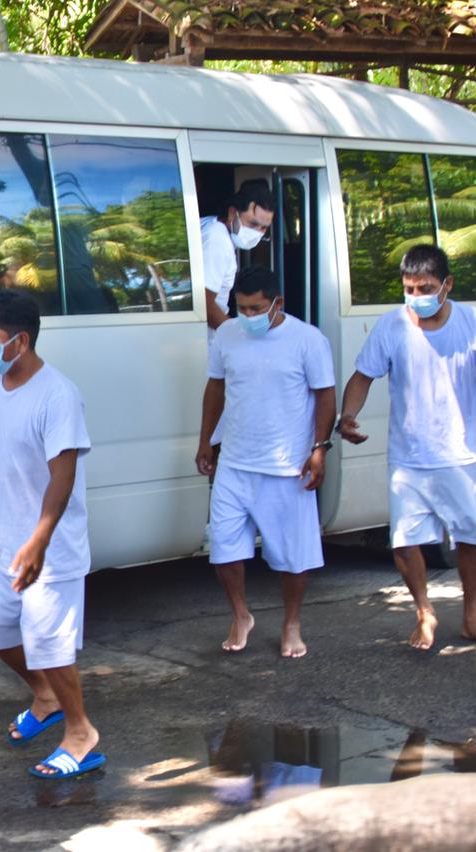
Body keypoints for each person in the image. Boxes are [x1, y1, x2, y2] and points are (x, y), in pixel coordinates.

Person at [338, 244, 476, 650]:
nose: (417, 297)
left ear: (447, 284)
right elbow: (362, 377)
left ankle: (472, 619)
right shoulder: (391, 327)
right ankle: (424, 611)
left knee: (471, 539)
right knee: (404, 541)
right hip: (408, 457)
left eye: (426, 288)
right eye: (409, 289)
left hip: (461, 454)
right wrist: (347, 416)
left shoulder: (475, 323)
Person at [0, 289, 103, 780]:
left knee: (50, 646)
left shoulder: (58, 395)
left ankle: (80, 733)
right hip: (5, 543)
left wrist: (40, 539)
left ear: (20, 341)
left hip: (50, 550)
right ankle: (44, 696)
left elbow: (63, 474)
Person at [195, 267, 336, 658]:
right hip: (235, 462)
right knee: (223, 548)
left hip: (287, 466)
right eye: (242, 308)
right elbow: (215, 387)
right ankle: (241, 615)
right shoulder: (227, 334)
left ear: (278, 304)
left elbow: (325, 395)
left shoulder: (308, 339)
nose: (248, 316)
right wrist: (205, 440)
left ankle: (292, 624)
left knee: (293, 556)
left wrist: (320, 449)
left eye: (256, 308)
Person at [201, 180, 276, 339]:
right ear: (232, 213)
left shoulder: (211, 225)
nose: (257, 232)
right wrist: (238, 339)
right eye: (253, 224)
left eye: (263, 227)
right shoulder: (218, 241)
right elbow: (204, 304)